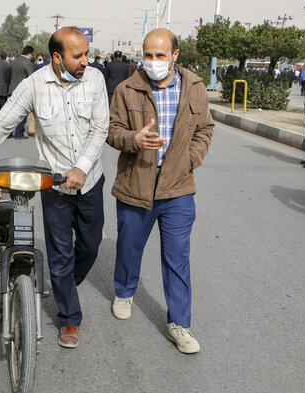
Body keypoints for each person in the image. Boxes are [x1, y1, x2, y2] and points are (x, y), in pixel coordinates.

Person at [0, 27, 109, 349]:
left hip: (90, 180)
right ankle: (69, 318)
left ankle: (65, 282)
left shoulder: (95, 79)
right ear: (57, 57)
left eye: (86, 54)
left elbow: (100, 129)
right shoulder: (34, 85)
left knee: (90, 246)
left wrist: (81, 167)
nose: (85, 61)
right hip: (54, 184)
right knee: (60, 253)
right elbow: (1, 125)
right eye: (77, 56)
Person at [107, 28, 214, 354]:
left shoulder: (194, 88)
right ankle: (124, 291)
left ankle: (179, 324)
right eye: (148, 55)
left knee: (178, 259)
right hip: (136, 185)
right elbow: (112, 131)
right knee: (129, 248)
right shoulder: (127, 89)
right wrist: (134, 140)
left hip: (178, 190)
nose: (152, 62)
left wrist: (189, 160)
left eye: (160, 56)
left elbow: (205, 128)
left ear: (175, 55)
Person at [8, 45, 35, 139]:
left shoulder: (13, 62)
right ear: (30, 53)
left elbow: (9, 76)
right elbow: (31, 78)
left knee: (12, 113)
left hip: (12, 90)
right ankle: (19, 133)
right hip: (23, 91)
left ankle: (9, 132)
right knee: (22, 113)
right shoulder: (27, 63)